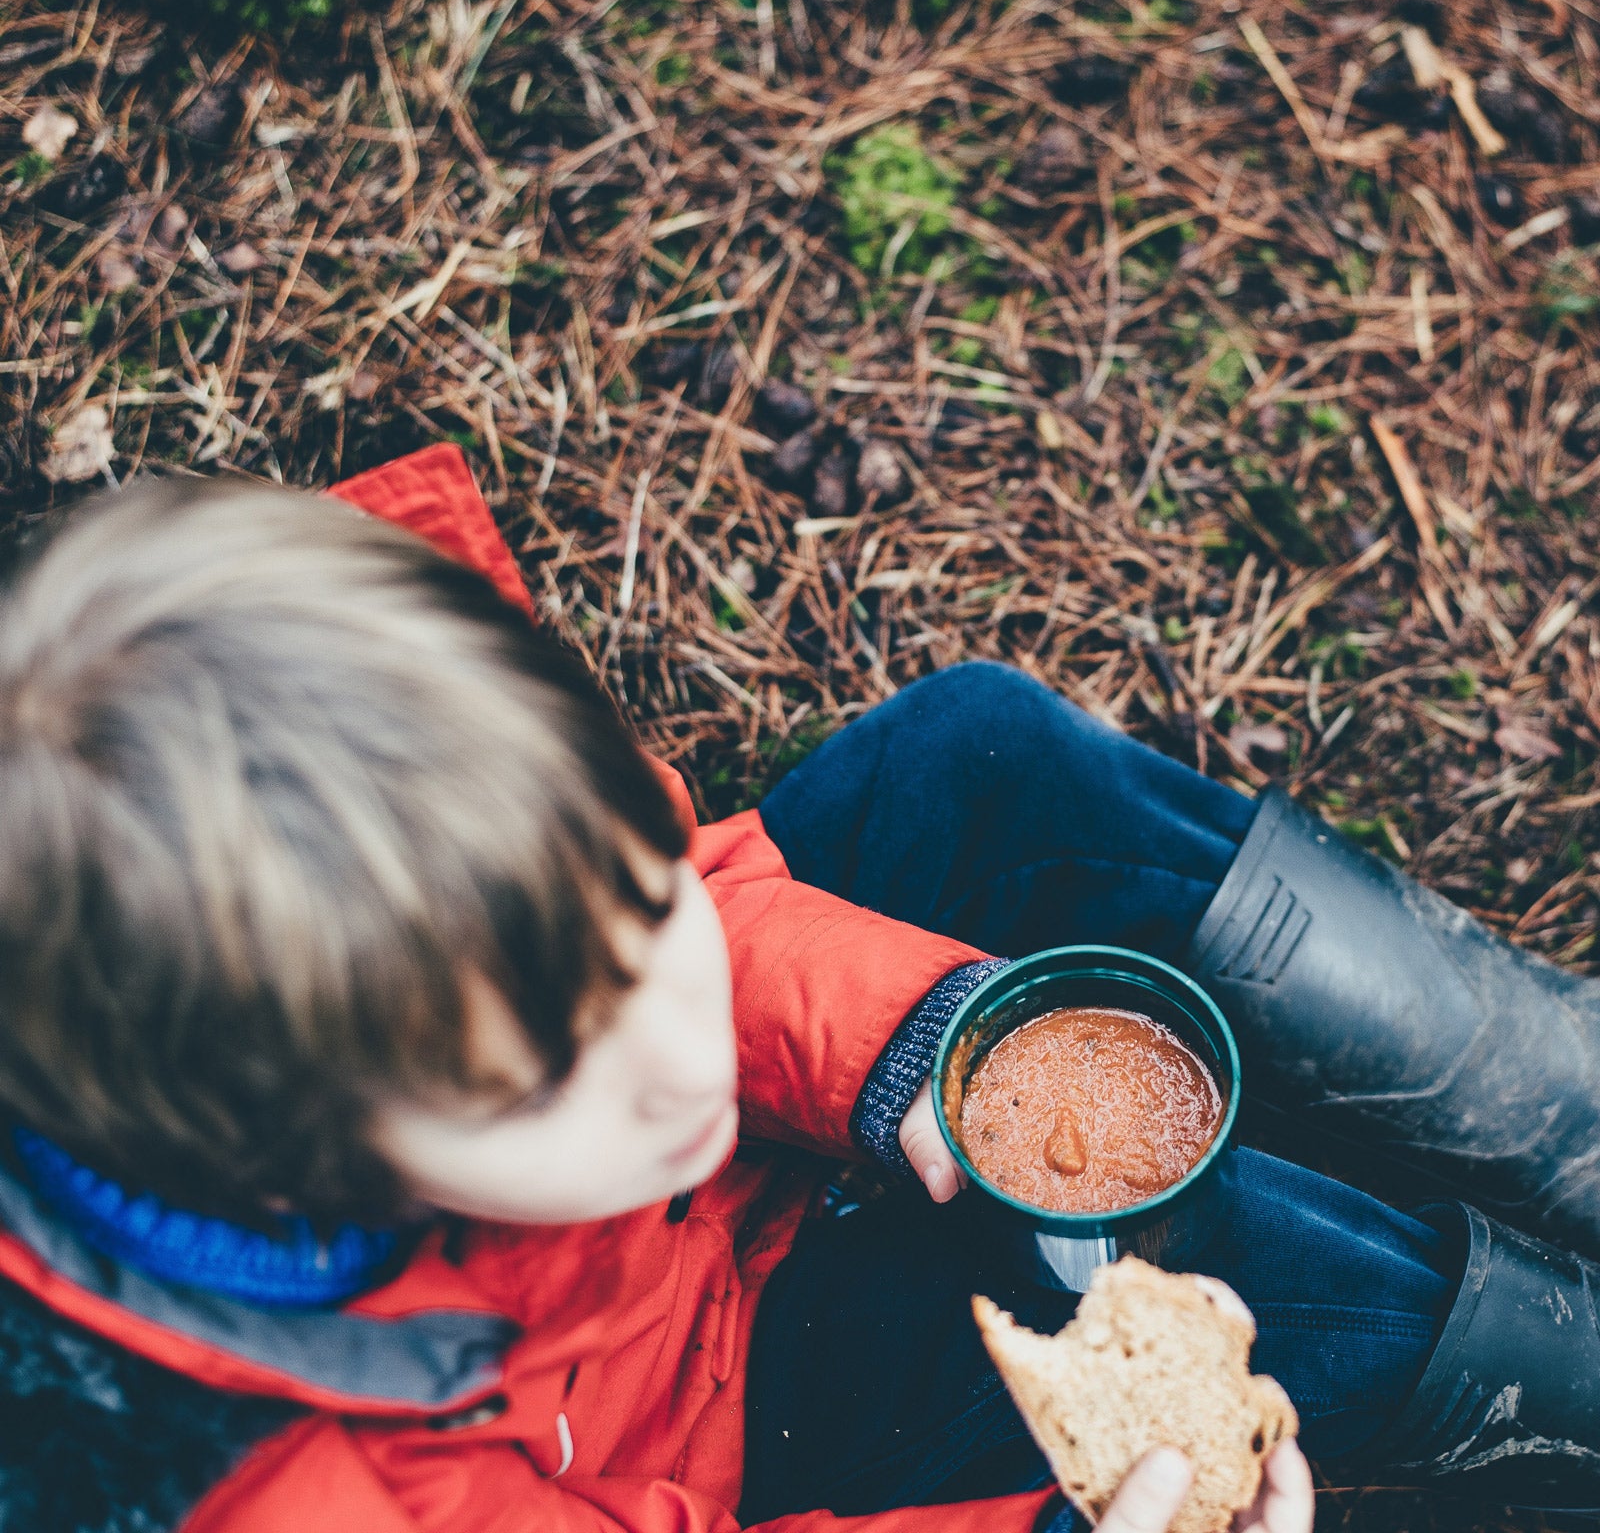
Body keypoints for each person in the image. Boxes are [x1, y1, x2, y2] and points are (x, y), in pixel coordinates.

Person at [0, 444, 1593, 1533]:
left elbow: (701, 890)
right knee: (1239, 1276)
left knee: (984, 761)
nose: (676, 1047)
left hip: (725, 1207)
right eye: (561, 1064)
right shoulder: (281, 1483)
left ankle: (1561, 1100)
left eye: (631, 911)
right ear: (286, 1164)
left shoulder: (407, 791)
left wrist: (900, 1053)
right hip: (727, 1440)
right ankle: (1542, 1369)